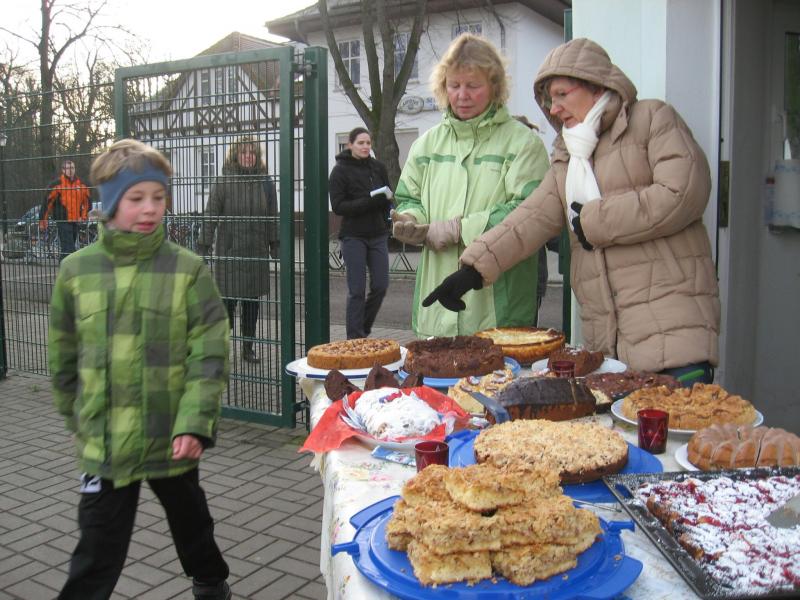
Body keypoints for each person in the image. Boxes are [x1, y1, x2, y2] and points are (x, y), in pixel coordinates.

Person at [424, 37, 720, 384]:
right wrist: (472, 270)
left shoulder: (651, 119)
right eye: (550, 99)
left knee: (683, 417)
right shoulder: (570, 154)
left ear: (597, 86)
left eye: (562, 94)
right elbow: (530, 219)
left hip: (674, 332)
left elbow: (684, 191)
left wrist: (593, 220)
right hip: (611, 342)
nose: (554, 108)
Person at [48, 139, 232, 600]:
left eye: (158, 197)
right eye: (136, 198)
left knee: (191, 521)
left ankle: (211, 581)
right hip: (104, 442)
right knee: (95, 548)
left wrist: (194, 422)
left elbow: (209, 353)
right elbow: (63, 355)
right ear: (110, 202)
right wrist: (78, 418)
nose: (150, 208)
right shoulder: (76, 271)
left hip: (172, 434)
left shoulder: (187, 270)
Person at [391, 33, 550, 338]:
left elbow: (529, 213)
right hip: (436, 313)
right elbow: (409, 197)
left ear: (495, 86)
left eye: (473, 85)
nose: (462, 95)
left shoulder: (523, 143)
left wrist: (459, 229)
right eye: (454, 85)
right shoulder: (427, 144)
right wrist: (411, 220)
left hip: (499, 311)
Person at [197, 137, 278, 363]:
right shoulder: (224, 182)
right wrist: (203, 245)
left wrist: (275, 245)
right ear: (235, 155)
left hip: (256, 254)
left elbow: (272, 216)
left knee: (252, 306)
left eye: (252, 153)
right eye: (243, 152)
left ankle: (248, 348)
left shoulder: (265, 182)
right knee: (226, 306)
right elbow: (211, 214)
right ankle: (220, 349)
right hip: (230, 254)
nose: (248, 156)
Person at [328, 127, 392, 339]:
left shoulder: (378, 168)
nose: (365, 147)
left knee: (381, 285)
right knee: (356, 290)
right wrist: (368, 202)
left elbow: (388, 195)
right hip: (353, 236)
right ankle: (354, 339)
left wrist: (390, 210)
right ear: (350, 145)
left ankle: (362, 328)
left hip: (378, 234)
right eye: (360, 143)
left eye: (368, 143)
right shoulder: (340, 171)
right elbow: (338, 206)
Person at [39, 159, 92, 259]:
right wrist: (43, 221)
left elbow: (87, 203)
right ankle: (70, 267)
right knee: (69, 248)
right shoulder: (56, 184)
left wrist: (83, 217)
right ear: (63, 170)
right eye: (68, 168)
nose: (70, 170)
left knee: (66, 248)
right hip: (63, 220)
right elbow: (47, 203)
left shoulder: (81, 184)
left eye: (72, 168)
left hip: (76, 221)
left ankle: (63, 266)